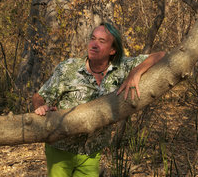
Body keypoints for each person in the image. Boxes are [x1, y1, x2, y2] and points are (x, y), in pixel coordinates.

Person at [32, 22, 165, 176]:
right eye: (93, 39)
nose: (94, 44)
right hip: (61, 149)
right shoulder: (68, 68)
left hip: (92, 152)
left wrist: (135, 72)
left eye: (102, 41)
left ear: (113, 50)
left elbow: (162, 55)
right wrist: (40, 107)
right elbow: (40, 96)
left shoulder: (122, 68)